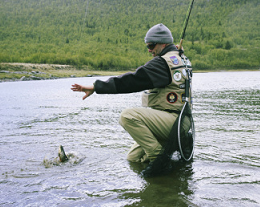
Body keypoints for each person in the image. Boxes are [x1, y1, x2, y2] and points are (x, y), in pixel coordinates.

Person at [71, 23, 191, 175]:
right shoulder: (180, 58)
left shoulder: (162, 63)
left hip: (174, 123)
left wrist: (96, 87)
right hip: (179, 121)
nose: (149, 50)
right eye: (147, 46)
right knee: (133, 158)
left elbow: (132, 81)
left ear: (163, 43)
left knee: (127, 116)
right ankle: (165, 176)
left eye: (152, 45)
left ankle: (159, 159)